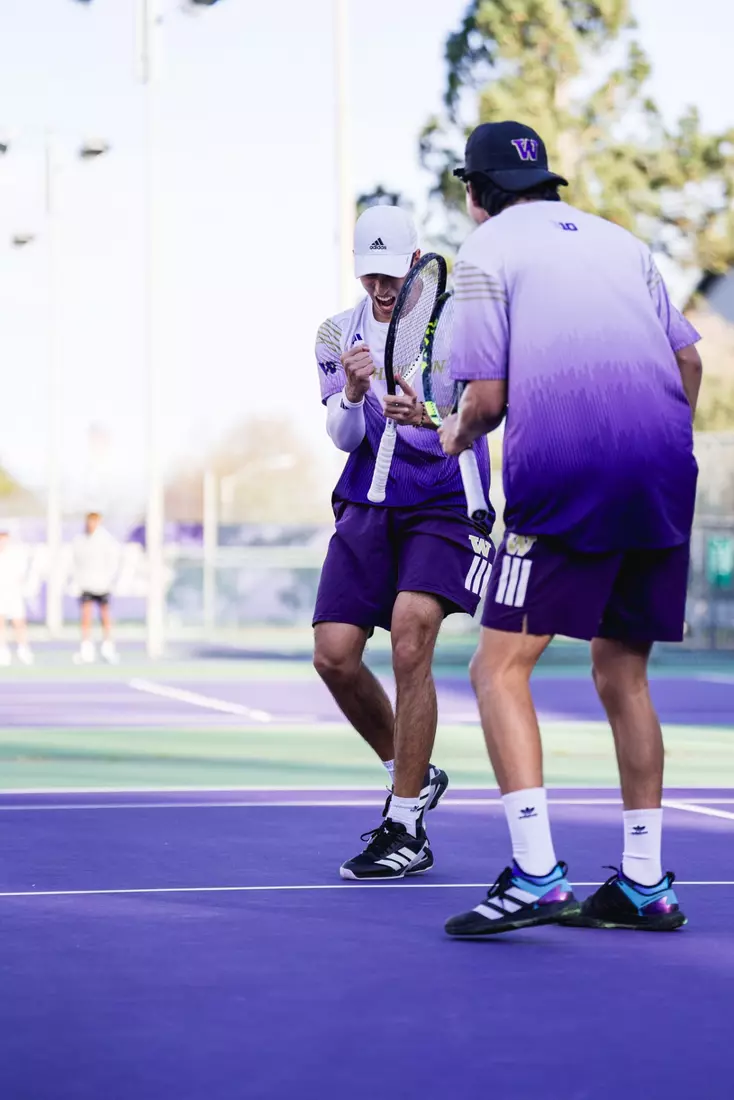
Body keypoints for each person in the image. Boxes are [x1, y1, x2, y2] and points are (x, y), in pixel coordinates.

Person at [439, 121, 702, 935]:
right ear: (546, 182)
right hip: (661, 469)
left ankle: (536, 874)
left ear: (476, 195)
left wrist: (451, 434)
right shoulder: (623, 244)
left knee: (496, 669)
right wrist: (652, 437)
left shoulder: (485, 252)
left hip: (568, 472)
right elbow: (689, 362)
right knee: (623, 675)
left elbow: (484, 401)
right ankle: (646, 884)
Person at [313, 204, 495, 880]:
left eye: (392, 275)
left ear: (417, 263)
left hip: (445, 498)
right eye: (370, 277)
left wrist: (431, 416)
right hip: (368, 500)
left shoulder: (456, 329)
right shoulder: (336, 333)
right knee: (333, 656)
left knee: (411, 631)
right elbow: (344, 438)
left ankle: (405, 824)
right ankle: (413, 772)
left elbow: (481, 416)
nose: (383, 289)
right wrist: (354, 393)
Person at [71, 512, 122, 665]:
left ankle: (108, 647)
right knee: (86, 615)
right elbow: (75, 562)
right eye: (89, 521)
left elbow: (113, 561)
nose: (91, 524)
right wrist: (76, 581)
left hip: (103, 584)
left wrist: (110, 580)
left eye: (94, 521)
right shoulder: (79, 540)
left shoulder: (106, 540)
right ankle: (86, 648)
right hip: (86, 584)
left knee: (105, 615)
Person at [0, 530, 33, 666]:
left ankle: (23, 649)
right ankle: (2, 650)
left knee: (19, 622)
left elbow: (22, 575)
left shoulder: (16, 556)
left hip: (14, 595)